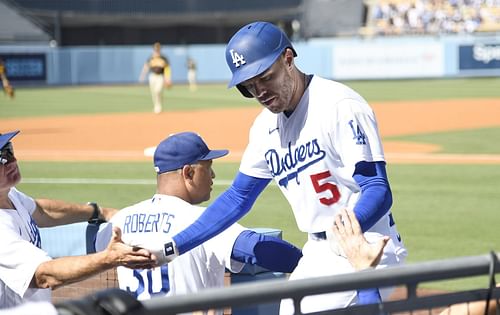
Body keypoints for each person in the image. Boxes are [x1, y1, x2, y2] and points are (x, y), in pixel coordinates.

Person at [146, 21, 407, 314]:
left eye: (265, 78)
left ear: (288, 58)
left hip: (366, 242)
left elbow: (377, 189)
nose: (260, 91)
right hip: (318, 249)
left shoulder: (339, 105)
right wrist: (172, 247)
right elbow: (238, 198)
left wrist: (347, 235)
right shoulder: (264, 127)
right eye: (249, 86)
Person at [94, 131, 303, 314]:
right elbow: (256, 248)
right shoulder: (201, 221)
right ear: (189, 172)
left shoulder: (120, 221)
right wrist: (308, 260)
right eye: (208, 166)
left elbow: (97, 250)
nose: (212, 175)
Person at [0, 130, 157, 309]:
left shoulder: (10, 195)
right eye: (2, 158)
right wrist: (109, 258)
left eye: (9, 150)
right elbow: (44, 275)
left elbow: (41, 210)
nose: (12, 160)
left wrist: (97, 211)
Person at [139, 42, 172, 114]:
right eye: (155, 48)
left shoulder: (163, 58)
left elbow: (167, 68)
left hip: (160, 76)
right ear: (154, 49)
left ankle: (159, 106)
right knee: (153, 92)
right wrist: (142, 75)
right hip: (152, 76)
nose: (157, 49)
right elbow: (146, 66)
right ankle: (156, 106)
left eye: (158, 48)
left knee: (158, 90)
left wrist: (168, 78)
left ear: (160, 49)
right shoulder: (151, 57)